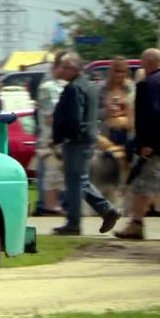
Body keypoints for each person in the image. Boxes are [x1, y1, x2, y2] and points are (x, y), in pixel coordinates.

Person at [51, 52, 120, 235]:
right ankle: (107, 210)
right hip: (86, 138)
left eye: (65, 67)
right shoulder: (89, 86)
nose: (61, 70)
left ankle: (74, 224)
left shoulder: (74, 88)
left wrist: (65, 136)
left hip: (76, 140)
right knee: (80, 180)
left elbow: (74, 117)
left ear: (74, 68)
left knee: (75, 182)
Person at [114, 48, 160, 239]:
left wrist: (145, 143)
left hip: (157, 147)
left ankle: (136, 225)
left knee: (142, 186)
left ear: (148, 63)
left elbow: (151, 115)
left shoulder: (147, 85)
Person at [33, 51, 68, 216]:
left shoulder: (64, 85)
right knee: (50, 176)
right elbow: (50, 117)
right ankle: (49, 208)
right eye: (65, 66)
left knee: (59, 178)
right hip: (50, 139)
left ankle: (56, 206)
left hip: (62, 138)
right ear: (57, 66)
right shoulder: (48, 87)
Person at [99, 57, 135, 159]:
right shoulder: (102, 89)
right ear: (110, 71)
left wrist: (126, 106)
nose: (119, 74)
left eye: (123, 71)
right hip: (108, 134)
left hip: (127, 133)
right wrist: (107, 111)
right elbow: (93, 113)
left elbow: (136, 108)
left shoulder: (130, 87)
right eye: (117, 71)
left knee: (126, 166)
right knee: (109, 166)